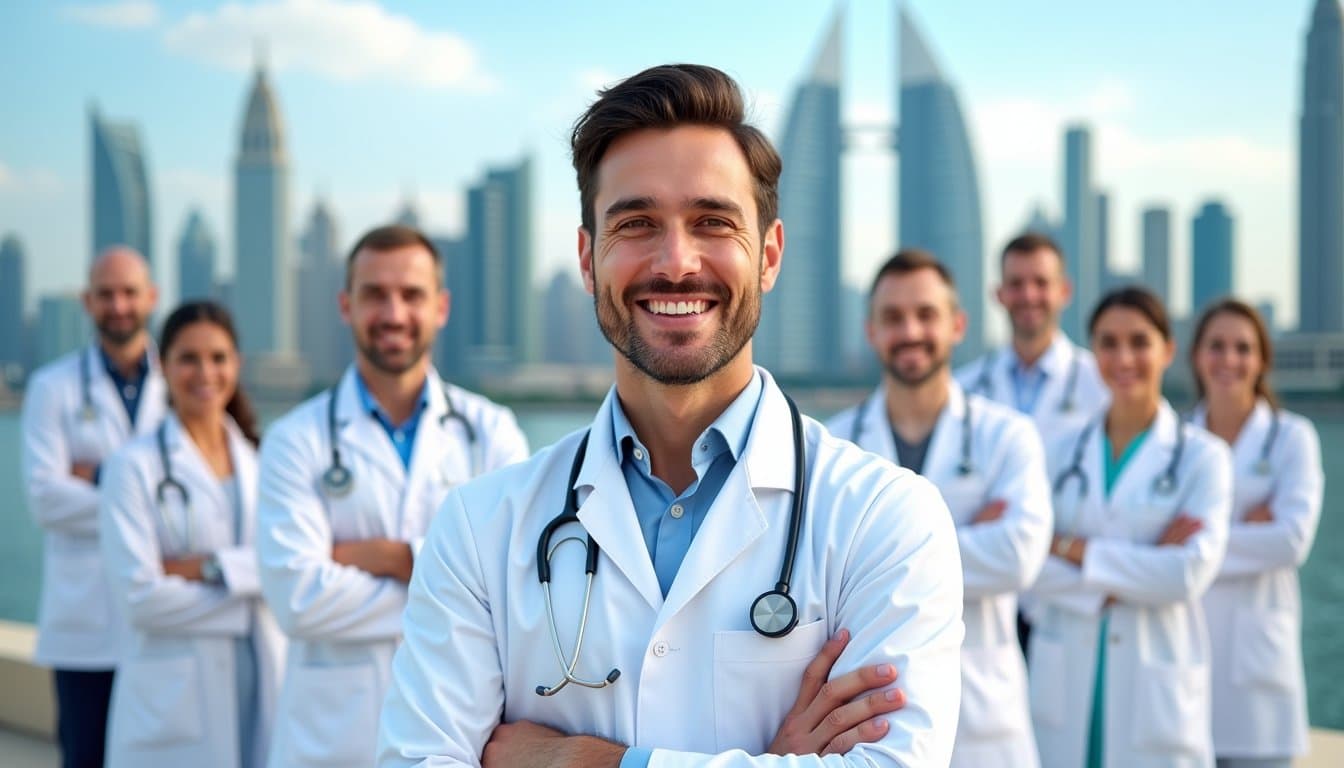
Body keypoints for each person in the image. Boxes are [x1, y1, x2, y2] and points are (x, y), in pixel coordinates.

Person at [377, 63, 964, 768]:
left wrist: (583, 760)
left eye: (713, 222)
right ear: (588, 259)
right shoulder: (479, 529)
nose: (677, 262)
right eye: (637, 223)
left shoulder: (885, 518)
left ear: (769, 255)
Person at [256, 224, 530, 767]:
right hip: (328, 743)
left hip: (455, 736)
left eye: (411, 295)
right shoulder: (295, 440)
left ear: (441, 307)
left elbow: (514, 587)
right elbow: (298, 600)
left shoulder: (491, 431)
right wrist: (455, 586)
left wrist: (387, 556)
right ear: (346, 305)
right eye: (375, 294)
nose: (394, 313)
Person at [826, 250, 1051, 767]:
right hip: (869, 723)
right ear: (871, 332)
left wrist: (876, 556)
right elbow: (824, 582)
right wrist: (968, 532)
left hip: (986, 723)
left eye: (926, 315)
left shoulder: (1008, 437)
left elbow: (1020, 557)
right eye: (894, 318)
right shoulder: (833, 447)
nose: (911, 331)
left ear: (957, 325)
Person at [1028, 286, 1232, 767]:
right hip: (1064, 687)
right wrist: (1143, 566)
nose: (1124, 358)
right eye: (1108, 342)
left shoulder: (1203, 458)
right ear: (1092, 351)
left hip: (1154, 695)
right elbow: (1030, 568)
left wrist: (1071, 549)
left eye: (1139, 341)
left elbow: (1188, 574)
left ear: (1167, 349)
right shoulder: (1057, 452)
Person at [98, 301, 285, 767]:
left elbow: (292, 567)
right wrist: (252, 586)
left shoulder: (264, 461)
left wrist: (210, 568)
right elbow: (139, 598)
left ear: (237, 365)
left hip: (264, 679)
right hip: (176, 703)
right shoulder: (132, 467)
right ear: (163, 365)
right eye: (188, 358)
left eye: (218, 358)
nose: (205, 372)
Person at [20, 245, 168, 768]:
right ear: (87, 301)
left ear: (152, 297)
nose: (119, 305)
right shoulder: (51, 388)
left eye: (130, 292)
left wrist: (99, 475)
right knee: (84, 756)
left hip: (162, 620)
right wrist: (144, 495)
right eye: (106, 294)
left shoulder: (182, 383)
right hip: (84, 630)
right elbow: (45, 499)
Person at [955, 233, 1108, 653]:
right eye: (1017, 284)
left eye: (1041, 283)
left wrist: (996, 532)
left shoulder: (1101, 386)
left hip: (1070, 604)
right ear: (998, 294)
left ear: (1064, 291)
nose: (1029, 295)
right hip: (989, 606)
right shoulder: (964, 392)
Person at [1187, 299, 1322, 768]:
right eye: (1216, 346)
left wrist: (1195, 540)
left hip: (1258, 684)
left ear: (1262, 359)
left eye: (1243, 348)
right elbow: (1148, 544)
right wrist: (1248, 530)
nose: (1229, 359)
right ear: (1196, 356)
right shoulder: (1177, 444)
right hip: (1184, 669)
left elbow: (1290, 542)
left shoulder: (1292, 438)